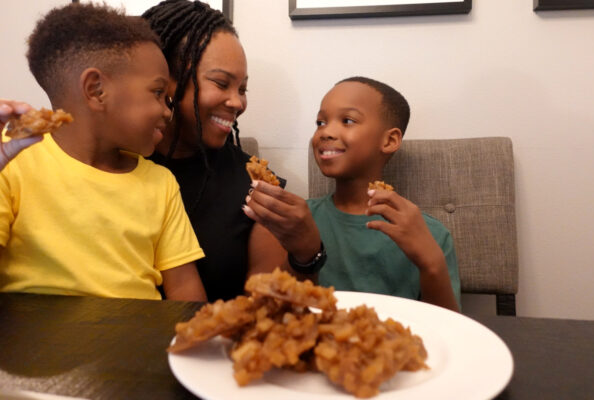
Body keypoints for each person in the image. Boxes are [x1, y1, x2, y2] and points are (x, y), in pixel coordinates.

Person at [0, 3, 206, 301]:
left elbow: (186, 293)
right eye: (158, 93)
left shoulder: (161, 184)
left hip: (140, 342)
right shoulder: (13, 160)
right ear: (96, 90)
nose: (167, 111)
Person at [142, 0, 323, 302]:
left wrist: (307, 252)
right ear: (165, 80)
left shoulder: (256, 188)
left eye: (242, 89)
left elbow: (269, 313)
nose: (237, 103)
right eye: (221, 83)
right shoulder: (109, 163)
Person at [307, 77, 460, 311]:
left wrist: (432, 262)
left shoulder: (430, 234)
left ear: (389, 140)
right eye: (320, 122)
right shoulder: (301, 219)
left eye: (347, 120)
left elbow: (450, 327)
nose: (326, 132)